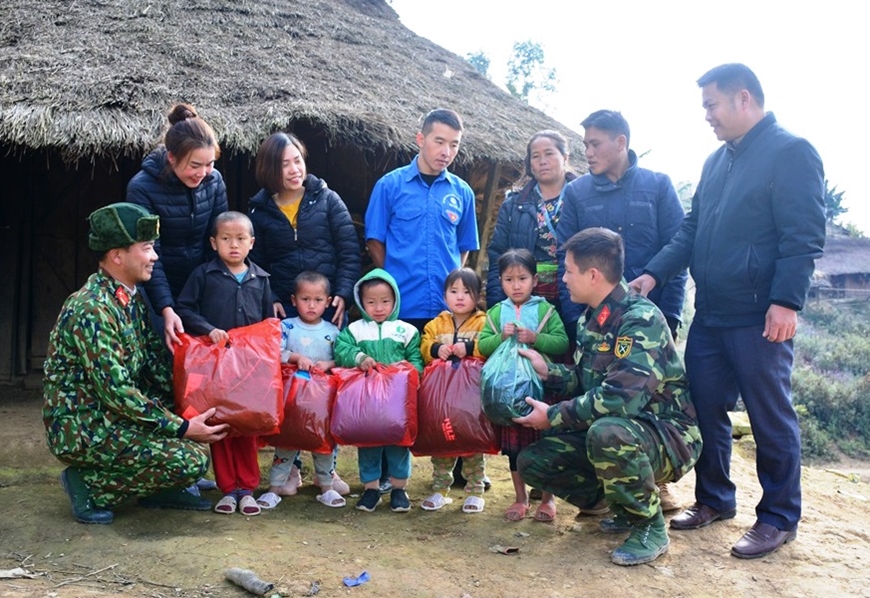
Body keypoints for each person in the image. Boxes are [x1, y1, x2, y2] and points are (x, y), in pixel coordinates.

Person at [630, 64, 826, 560]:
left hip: (761, 316)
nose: (707, 117)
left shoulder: (791, 151)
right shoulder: (717, 161)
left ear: (743, 99)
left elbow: (803, 238)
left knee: (769, 415)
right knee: (705, 408)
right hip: (712, 313)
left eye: (711, 105)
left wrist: (786, 302)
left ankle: (780, 517)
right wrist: (653, 274)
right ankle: (715, 499)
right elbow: (691, 231)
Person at [515, 227, 702, 566]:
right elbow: (587, 381)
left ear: (593, 275)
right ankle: (620, 504)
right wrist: (549, 371)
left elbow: (618, 399)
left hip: (668, 436)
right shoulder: (593, 317)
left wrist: (554, 415)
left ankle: (649, 526)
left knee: (607, 432)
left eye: (569, 271)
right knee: (534, 460)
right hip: (623, 428)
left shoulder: (639, 320)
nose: (564, 279)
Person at [43, 202, 228, 525]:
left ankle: (161, 486)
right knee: (190, 461)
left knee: (189, 433)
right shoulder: (92, 308)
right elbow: (117, 392)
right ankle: (88, 484)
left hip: (115, 417)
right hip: (85, 428)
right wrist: (182, 427)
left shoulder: (129, 299)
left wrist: (195, 401)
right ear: (117, 256)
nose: (155, 256)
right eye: (146, 248)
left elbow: (155, 365)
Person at [556, 110, 689, 514]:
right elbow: (566, 259)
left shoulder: (658, 186)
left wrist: (669, 315)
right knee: (602, 397)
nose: (588, 152)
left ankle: (656, 485)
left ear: (621, 142)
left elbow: (678, 250)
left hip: (648, 321)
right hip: (595, 323)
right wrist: (576, 322)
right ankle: (604, 491)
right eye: (585, 145)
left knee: (644, 397)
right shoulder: (577, 193)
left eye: (595, 144)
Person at [175, 211, 273, 517]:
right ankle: (228, 489)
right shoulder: (204, 275)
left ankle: (248, 489)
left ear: (251, 243)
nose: (234, 245)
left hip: (249, 369)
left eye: (241, 239)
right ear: (213, 242)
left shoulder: (261, 278)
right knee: (219, 426)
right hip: (215, 368)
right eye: (226, 239)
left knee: (247, 427)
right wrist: (207, 328)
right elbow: (184, 308)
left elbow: (270, 323)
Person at [364, 108, 480, 331]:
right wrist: (392, 280)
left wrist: (452, 287)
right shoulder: (389, 186)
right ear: (420, 139)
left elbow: (464, 246)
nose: (446, 151)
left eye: (454, 144)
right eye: (439, 141)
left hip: (446, 310)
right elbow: (374, 240)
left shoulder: (463, 192)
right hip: (402, 304)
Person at [126, 103, 228, 350]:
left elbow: (219, 239)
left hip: (200, 283)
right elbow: (150, 253)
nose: (203, 173)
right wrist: (166, 307)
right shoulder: (142, 188)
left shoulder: (214, 181)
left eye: (210, 164)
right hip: (158, 283)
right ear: (171, 157)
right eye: (195, 165)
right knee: (165, 352)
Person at [478, 249, 568, 523]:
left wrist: (536, 337)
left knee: (545, 444)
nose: (516, 286)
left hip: (541, 392)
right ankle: (521, 498)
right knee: (514, 448)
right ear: (500, 282)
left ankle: (548, 499)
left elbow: (562, 342)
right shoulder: (495, 313)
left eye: (522, 278)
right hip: (507, 396)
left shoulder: (545, 310)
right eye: (508, 279)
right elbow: (482, 347)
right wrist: (499, 338)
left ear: (535, 280)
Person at [333, 268, 425, 513]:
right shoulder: (355, 330)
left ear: (395, 300)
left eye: (385, 301)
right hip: (367, 401)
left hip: (398, 403)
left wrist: (407, 373)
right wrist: (359, 357)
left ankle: (399, 489)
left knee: (399, 444)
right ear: (361, 303)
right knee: (368, 443)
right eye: (371, 302)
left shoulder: (407, 331)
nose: (379, 307)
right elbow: (341, 349)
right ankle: (371, 489)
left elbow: (416, 360)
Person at [256, 271, 348, 510]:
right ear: (294, 300)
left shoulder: (333, 331)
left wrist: (329, 364)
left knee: (324, 442)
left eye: (318, 300)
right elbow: (274, 352)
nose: (311, 305)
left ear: (327, 302)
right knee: (286, 441)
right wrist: (296, 357)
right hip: (291, 398)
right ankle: (275, 487)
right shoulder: (286, 327)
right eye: (305, 299)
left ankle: (326, 486)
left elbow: (342, 358)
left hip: (322, 402)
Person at [248, 132, 361, 325]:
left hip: (327, 305)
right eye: (285, 165)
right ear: (270, 168)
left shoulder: (328, 200)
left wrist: (343, 293)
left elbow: (349, 252)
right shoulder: (259, 212)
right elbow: (255, 264)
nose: (294, 170)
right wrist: (271, 297)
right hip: (284, 308)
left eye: (297, 161)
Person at [419, 268, 488, 514]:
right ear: (445, 294)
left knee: (472, 440)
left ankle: (475, 490)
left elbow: (490, 343)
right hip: (442, 397)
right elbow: (424, 344)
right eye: (453, 291)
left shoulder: (483, 322)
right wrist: (437, 349)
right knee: (442, 442)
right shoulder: (437, 323)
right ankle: (440, 489)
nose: (459, 297)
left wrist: (469, 347)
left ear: (477, 296)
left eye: (466, 292)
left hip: (470, 396)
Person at [486, 130, 578, 315]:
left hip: (572, 295)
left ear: (565, 157)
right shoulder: (514, 204)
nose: (542, 161)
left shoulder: (582, 199)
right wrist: (495, 306)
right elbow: (498, 255)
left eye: (549, 153)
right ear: (530, 164)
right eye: (535, 156)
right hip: (524, 299)